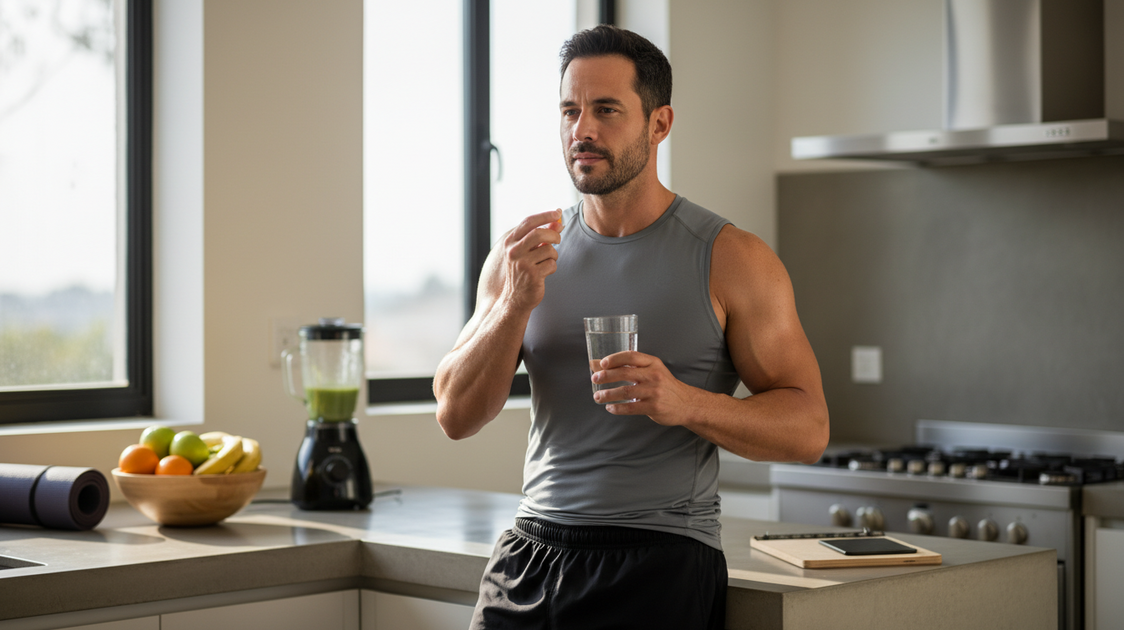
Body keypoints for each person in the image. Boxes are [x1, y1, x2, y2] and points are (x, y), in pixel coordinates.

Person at [434, 24, 829, 630]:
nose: (581, 130)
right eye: (570, 110)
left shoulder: (732, 259)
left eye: (606, 109)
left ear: (659, 124)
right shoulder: (523, 255)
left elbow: (808, 429)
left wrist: (685, 402)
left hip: (659, 559)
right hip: (529, 553)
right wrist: (514, 305)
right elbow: (455, 415)